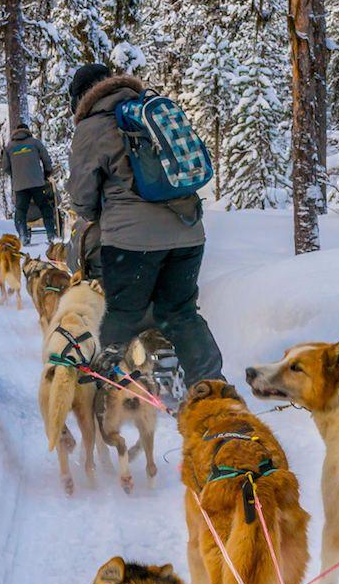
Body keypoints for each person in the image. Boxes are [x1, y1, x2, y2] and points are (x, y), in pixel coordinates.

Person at [65, 62, 224, 389]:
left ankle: (108, 388)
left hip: (131, 242)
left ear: (80, 99)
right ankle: (213, 388)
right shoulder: (151, 108)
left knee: (122, 313)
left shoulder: (92, 127)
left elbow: (82, 200)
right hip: (189, 232)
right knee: (181, 313)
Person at [1, 120, 60, 246]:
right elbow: (46, 159)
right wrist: (46, 173)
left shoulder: (9, 147)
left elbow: (5, 167)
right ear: (28, 132)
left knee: (21, 210)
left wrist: (15, 175)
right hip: (37, 183)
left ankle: (23, 236)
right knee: (45, 207)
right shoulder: (35, 143)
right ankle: (51, 234)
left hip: (20, 185)